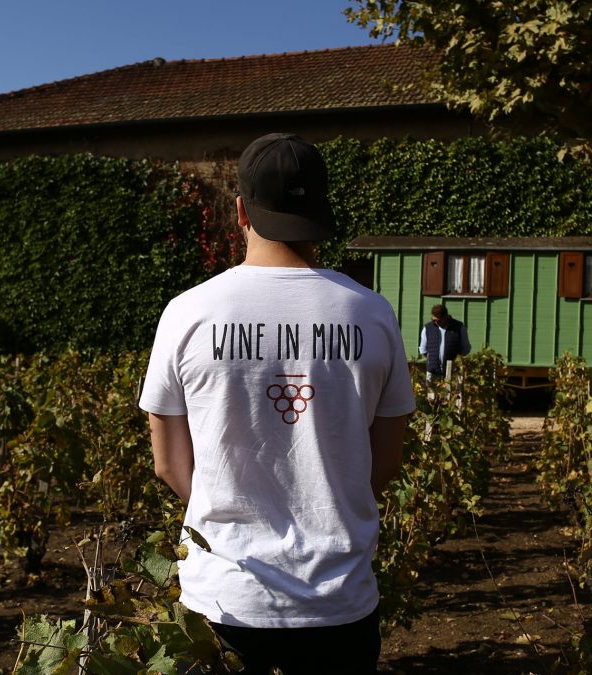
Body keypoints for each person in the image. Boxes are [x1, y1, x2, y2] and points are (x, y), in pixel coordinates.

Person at [139, 132, 415, 674]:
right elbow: (384, 463)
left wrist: (235, 507)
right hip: (340, 602)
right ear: (321, 208)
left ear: (240, 209)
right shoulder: (372, 313)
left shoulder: (187, 313)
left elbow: (169, 464)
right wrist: (321, 503)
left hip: (223, 600)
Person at [418, 304, 471, 381]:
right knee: (431, 392)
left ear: (445, 317)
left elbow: (465, 349)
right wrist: (433, 359)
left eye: (438, 320)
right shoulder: (427, 328)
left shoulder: (459, 327)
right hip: (432, 372)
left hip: (453, 372)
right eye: (433, 320)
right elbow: (423, 350)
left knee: (452, 393)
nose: (436, 322)